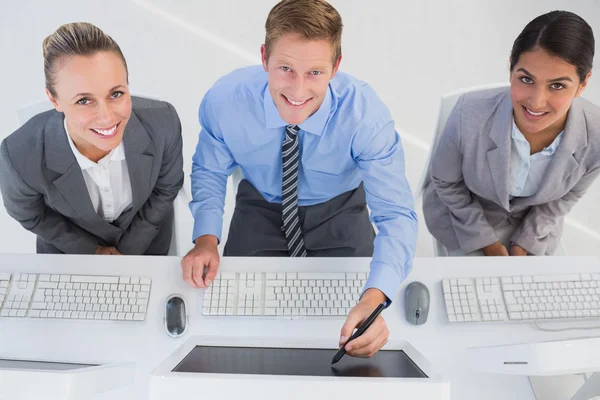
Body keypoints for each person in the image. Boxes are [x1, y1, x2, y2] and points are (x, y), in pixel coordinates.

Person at [182, 0, 418, 358]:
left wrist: (376, 297)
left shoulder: (366, 117)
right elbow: (210, 170)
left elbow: (396, 215)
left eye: (315, 73)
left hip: (340, 208)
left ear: (336, 66)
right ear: (264, 58)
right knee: (235, 321)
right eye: (286, 68)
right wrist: (205, 238)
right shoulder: (225, 100)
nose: (298, 89)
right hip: (260, 204)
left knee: (352, 317)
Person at [423, 11, 599, 257]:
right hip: (463, 217)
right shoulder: (468, 113)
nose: (537, 102)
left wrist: (525, 242)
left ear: (583, 84)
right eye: (526, 79)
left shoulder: (596, 136)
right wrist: (489, 244)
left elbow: (566, 197)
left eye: (557, 85)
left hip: (532, 224)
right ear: (511, 69)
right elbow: (445, 182)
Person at [0, 22, 184, 255]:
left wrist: (129, 250)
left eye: (116, 94)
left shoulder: (163, 122)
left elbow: (166, 188)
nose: (107, 117)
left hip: (145, 240)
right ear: (54, 100)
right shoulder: (18, 155)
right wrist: (91, 251)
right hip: (69, 249)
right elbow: (28, 213)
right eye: (84, 101)